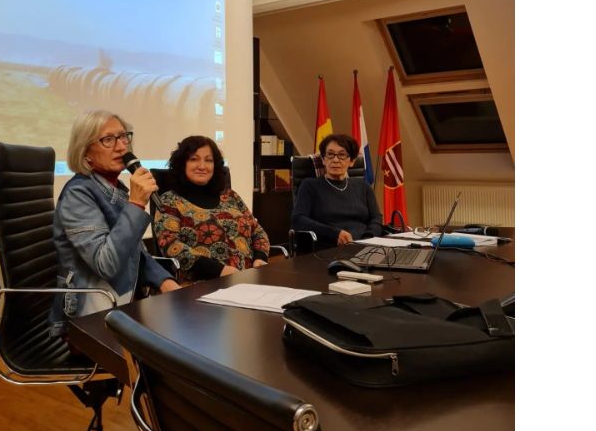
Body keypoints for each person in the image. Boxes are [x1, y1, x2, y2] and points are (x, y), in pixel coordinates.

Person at [49, 109, 180, 337]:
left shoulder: (114, 189)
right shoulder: (78, 194)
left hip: (124, 304)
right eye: (108, 139)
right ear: (85, 151)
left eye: (123, 137)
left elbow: (135, 253)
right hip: (90, 317)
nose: (121, 147)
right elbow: (106, 264)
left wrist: (167, 283)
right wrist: (136, 204)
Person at [153, 135, 270, 282]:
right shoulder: (170, 201)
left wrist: (260, 258)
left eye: (208, 160)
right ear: (182, 164)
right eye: (194, 159)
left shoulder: (231, 196)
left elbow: (258, 232)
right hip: (202, 285)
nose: (202, 166)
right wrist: (219, 271)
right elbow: (170, 246)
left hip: (248, 280)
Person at [291, 133, 382, 247]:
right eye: (330, 154)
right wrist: (334, 233)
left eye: (342, 155)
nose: (335, 160)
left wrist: (367, 240)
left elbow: (376, 218)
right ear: (323, 159)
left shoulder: (363, 186)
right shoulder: (310, 185)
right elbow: (298, 220)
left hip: (364, 246)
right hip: (328, 248)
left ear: (352, 161)